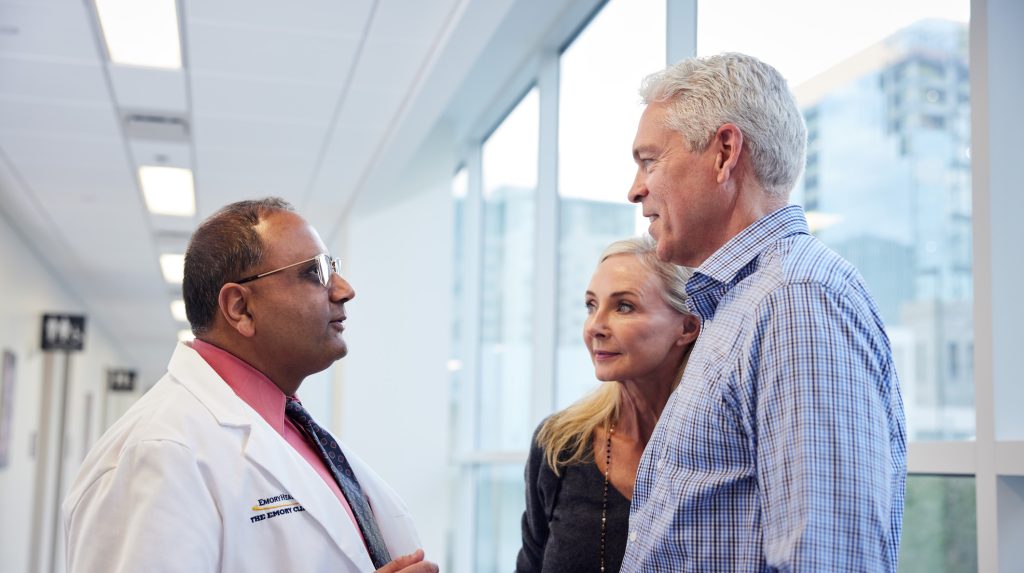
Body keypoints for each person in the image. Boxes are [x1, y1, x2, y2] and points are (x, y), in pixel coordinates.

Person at [621, 53, 907, 572]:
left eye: (650, 161)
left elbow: (827, 559)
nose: (635, 189)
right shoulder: (742, 303)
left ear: (725, 152)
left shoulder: (796, 300)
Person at [62, 198, 437, 573]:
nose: (343, 289)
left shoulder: (293, 429)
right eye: (314, 273)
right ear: (240, 308)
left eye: (332, 268)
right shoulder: (159, 453)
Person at [516, 236, 701, 573]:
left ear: (687, 326)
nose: (595, 327)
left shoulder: (716, 448)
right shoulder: (560, 444)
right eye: (591, 305)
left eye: (624, 306)